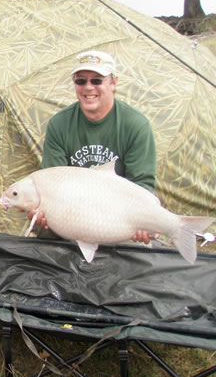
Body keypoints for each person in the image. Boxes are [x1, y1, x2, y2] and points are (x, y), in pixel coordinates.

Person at [33, 50, 157, 243]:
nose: (88, 88)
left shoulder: (136, 125)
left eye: (97, 81)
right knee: (44, 227)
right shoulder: (59, 124)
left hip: (117, 215)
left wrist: (142, 221)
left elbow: (142, 184)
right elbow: (51, 183)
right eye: (81, 81)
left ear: (113, 82)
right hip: (71, 212)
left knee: (142, 244)